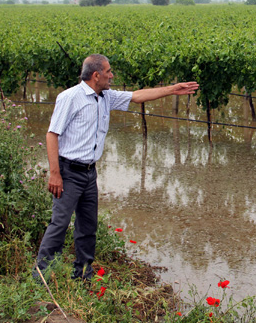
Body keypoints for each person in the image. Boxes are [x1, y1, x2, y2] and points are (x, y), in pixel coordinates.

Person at [35, 53, 199, 281]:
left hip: (89, 173)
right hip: (68, 172)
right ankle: (42, 276)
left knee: (88, 227)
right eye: (108, 71)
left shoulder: (105, 97)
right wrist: (55, 174)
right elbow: (52, 134)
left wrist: (172, 89)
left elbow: (138, 96)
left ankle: (82, 275)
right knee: (59, 224)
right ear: (96, 75)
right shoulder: (69, 97)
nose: (111, 76)